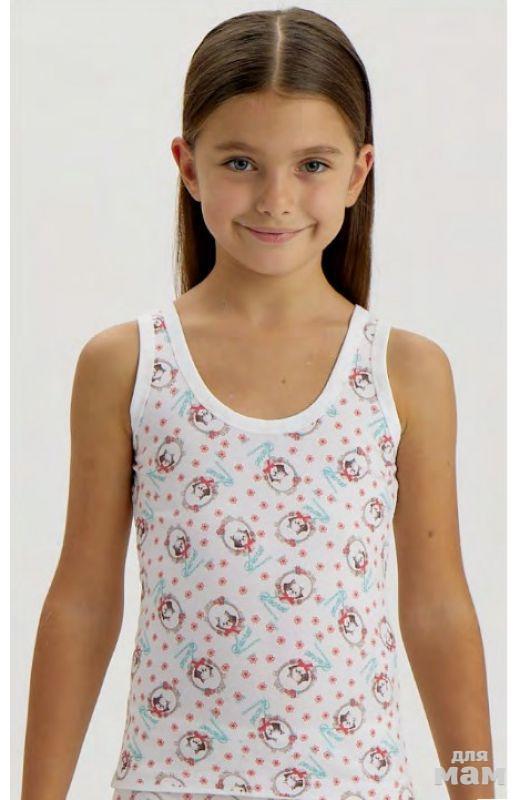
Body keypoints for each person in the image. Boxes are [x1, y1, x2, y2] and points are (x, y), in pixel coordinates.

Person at [21, 7, 495, 800]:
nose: (276, 197)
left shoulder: (404, 371)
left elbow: (438, 609)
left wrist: (477, 789)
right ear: (188, 166)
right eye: (241, 162)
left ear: (358, 173)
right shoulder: (128, 366)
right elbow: (82, 603)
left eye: (312, 164)